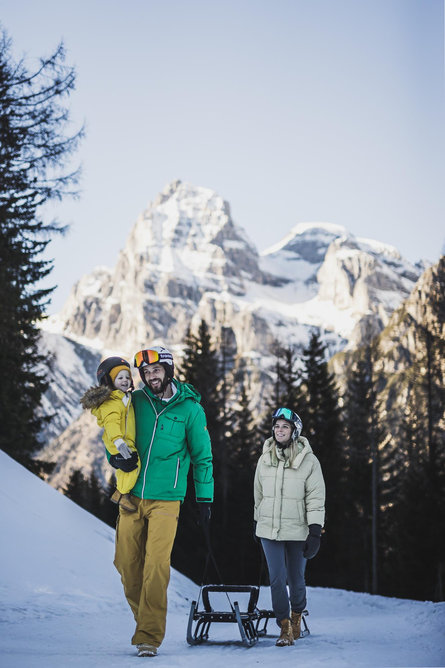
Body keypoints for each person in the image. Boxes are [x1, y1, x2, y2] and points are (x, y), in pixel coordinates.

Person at [109, 345, 214, 658]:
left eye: (155, 370)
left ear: (168, 370)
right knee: (126, 564)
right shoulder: (135, 401)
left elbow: (202, 456)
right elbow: (113, 432)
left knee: (156, 566)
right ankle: (146, 619)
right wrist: (115, 457)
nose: (150, 376)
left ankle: (148, 637)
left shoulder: (190, 410)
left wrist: (204, 498)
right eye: (145, 372)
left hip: (167, 500)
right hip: (130, 494)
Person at [254, 406, 325, 647]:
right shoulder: (265, 458)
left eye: (285, 426)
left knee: (296, 579)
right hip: (269, 529)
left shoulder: (309, 461)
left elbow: (316, 497)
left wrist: (315, 531)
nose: (279, 430)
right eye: (276, 426)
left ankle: (297, 615)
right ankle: (284, 626)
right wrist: (258, 520)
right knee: (276, 579)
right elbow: (258, 494)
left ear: (295, 431)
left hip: (298, 529)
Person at [80, 356, 140, 513]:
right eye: (120, 377)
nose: (125, 380)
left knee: (130, 467)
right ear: (109, 381)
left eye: (127, 377)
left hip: (125, 441)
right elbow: (111, 424)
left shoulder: (124, 398)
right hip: (118, 443)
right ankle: (121, 495)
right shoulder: (112, 402)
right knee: (132, 466)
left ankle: (124, 493)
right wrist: (118, 441)